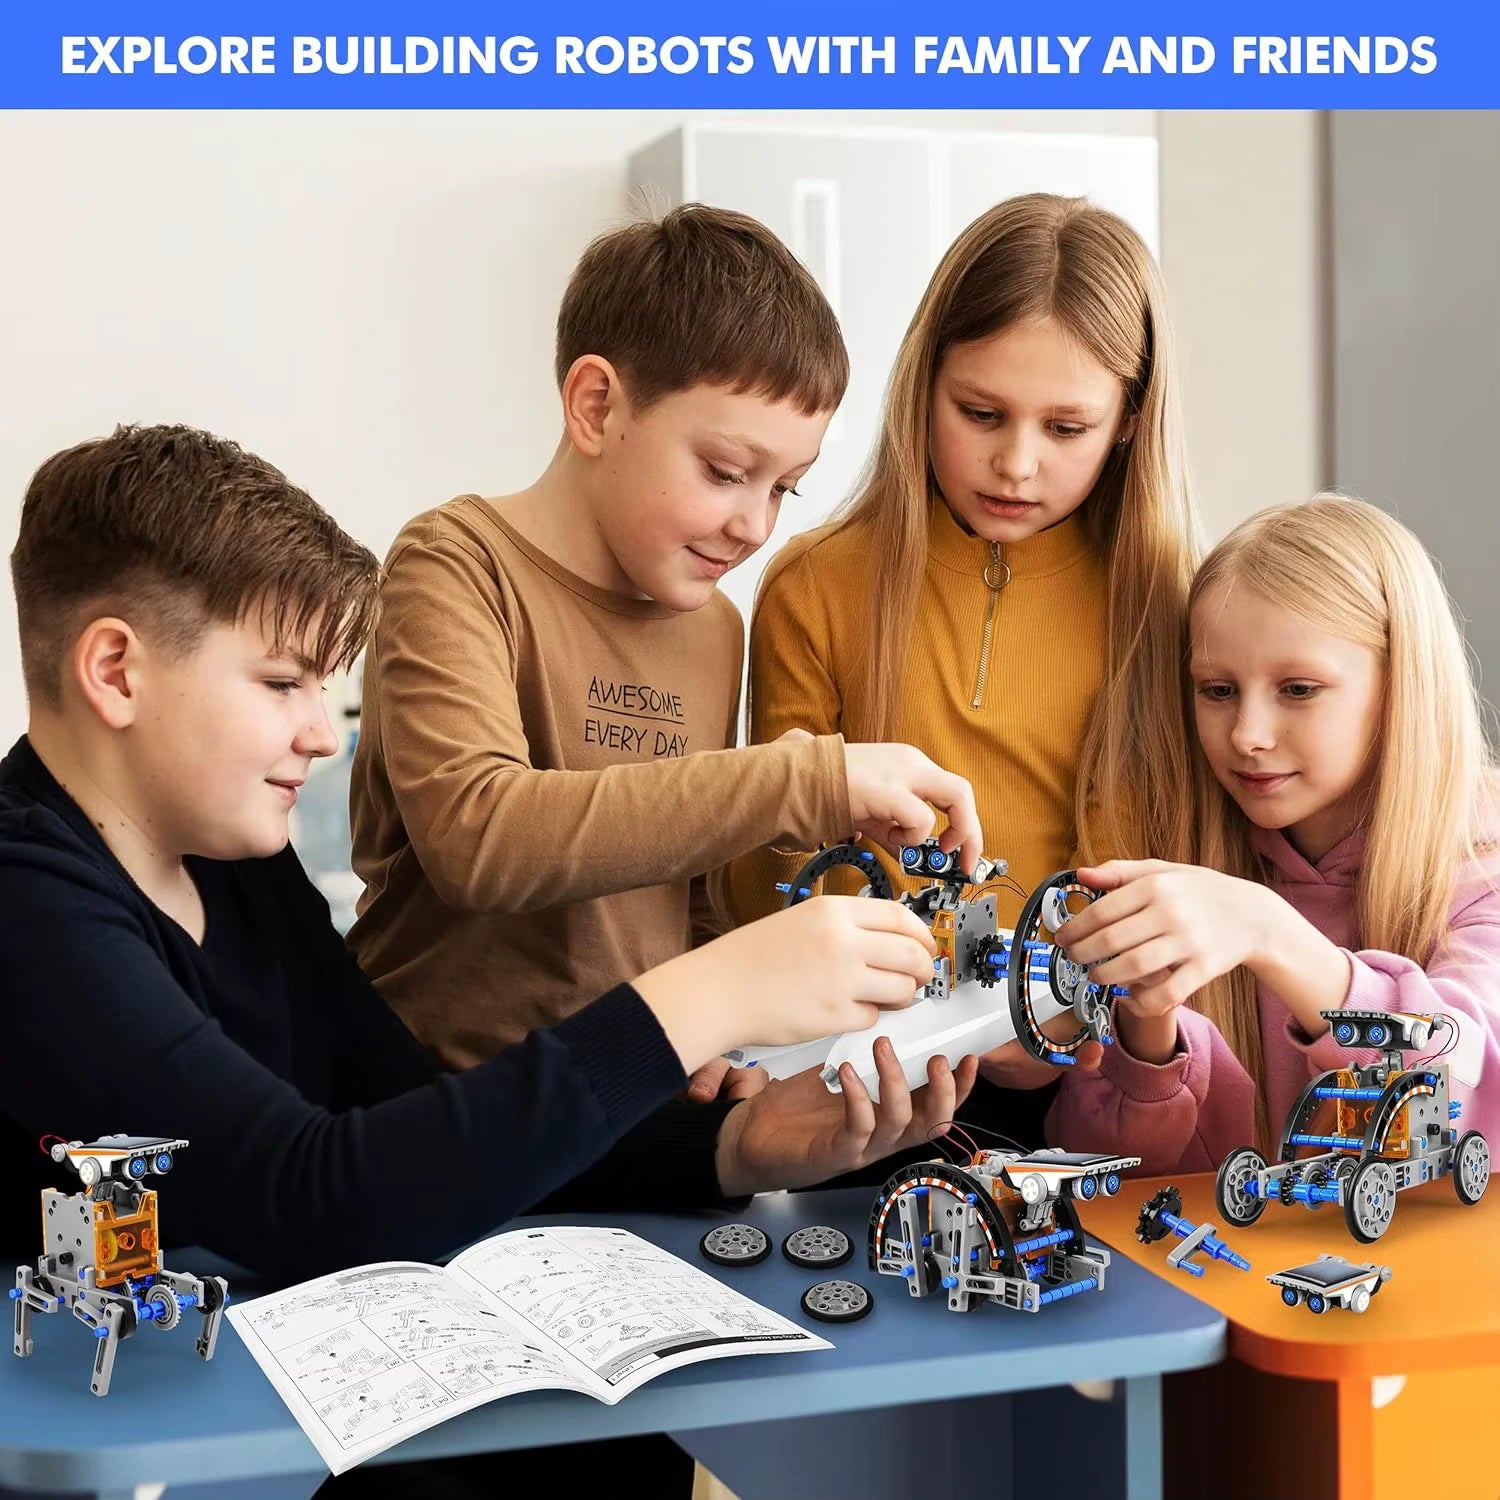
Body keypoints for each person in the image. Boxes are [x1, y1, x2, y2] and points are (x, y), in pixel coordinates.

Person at [0, 423, 978, 1287]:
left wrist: (735, 1143)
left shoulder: (231, 860)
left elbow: (417, 1127)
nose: (323, 735)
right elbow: (312, 1194)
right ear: (116, 671)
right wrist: (710, 996)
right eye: (282, 683)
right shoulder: (25, 902)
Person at [348, 204, 982, 1090]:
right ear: (596, 406)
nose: (753, 524)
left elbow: (684, 893)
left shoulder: (714, 628)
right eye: (726, 472)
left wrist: (723, 1043)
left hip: (626, 1097)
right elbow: (480, 837)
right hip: (438, 1103)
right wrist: (803, 778)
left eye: (785, 490)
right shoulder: (454, 565)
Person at [727, 193, 1199, 1140]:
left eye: (1066, 428)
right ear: (923, 384)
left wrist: (1057, 1019)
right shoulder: (815, 585)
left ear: (1128, 420)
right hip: (852, 1079)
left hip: (1087, 1089)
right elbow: (769, 877)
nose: (1016, 464)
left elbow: (1162, 879)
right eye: (981, 412)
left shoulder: (1170, 607)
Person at [1049, 495, 1500, 1170]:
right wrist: (1148, 1033)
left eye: (1298, 689)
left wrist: (1273, 934)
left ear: (1402, 685)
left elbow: (1469, 1093)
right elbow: (1108, 1175)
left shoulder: (1482, 864)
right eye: (1218, 690)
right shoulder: (1188, 870)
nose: (1247, 736)